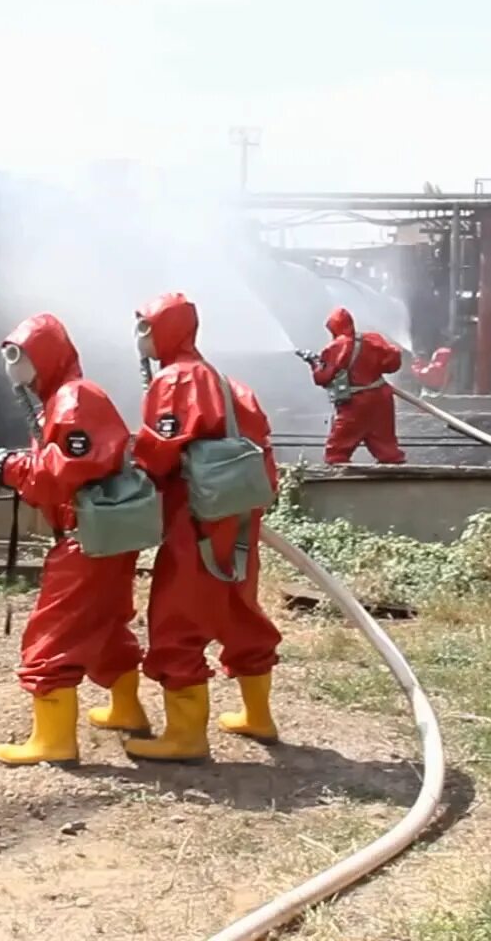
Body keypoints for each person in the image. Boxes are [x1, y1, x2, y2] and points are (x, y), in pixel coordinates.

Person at [0, 313, 145, 766]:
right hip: (106, 536)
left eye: (18, 355)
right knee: (104, 627)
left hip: (86, 537)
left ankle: (54, 741)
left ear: (42, 355)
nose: (12, 367)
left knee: (52, 634)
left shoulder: (72, 401)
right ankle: (128, 709)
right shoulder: (67, 399)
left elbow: (60, 473)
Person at [124, 292, 283, 763]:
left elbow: (160, 450)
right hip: (238, 515)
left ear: (162, 329)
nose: (141, 336)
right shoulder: (230, 383)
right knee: (239, 611)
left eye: (145, 326)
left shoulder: (176, 381)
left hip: (194, 518)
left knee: (178, 616)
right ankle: (259, 715)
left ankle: (186, 736)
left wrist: (133, 468)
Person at [303, 307, 407, 465]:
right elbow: (392, 364)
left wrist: (314, 364)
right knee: (386, 446)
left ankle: (339, 483)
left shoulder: (335, 347)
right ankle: (399, 478)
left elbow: (322, 378)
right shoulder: (374, 338)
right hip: (382, 397)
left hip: (356, 402)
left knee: (337, 451)